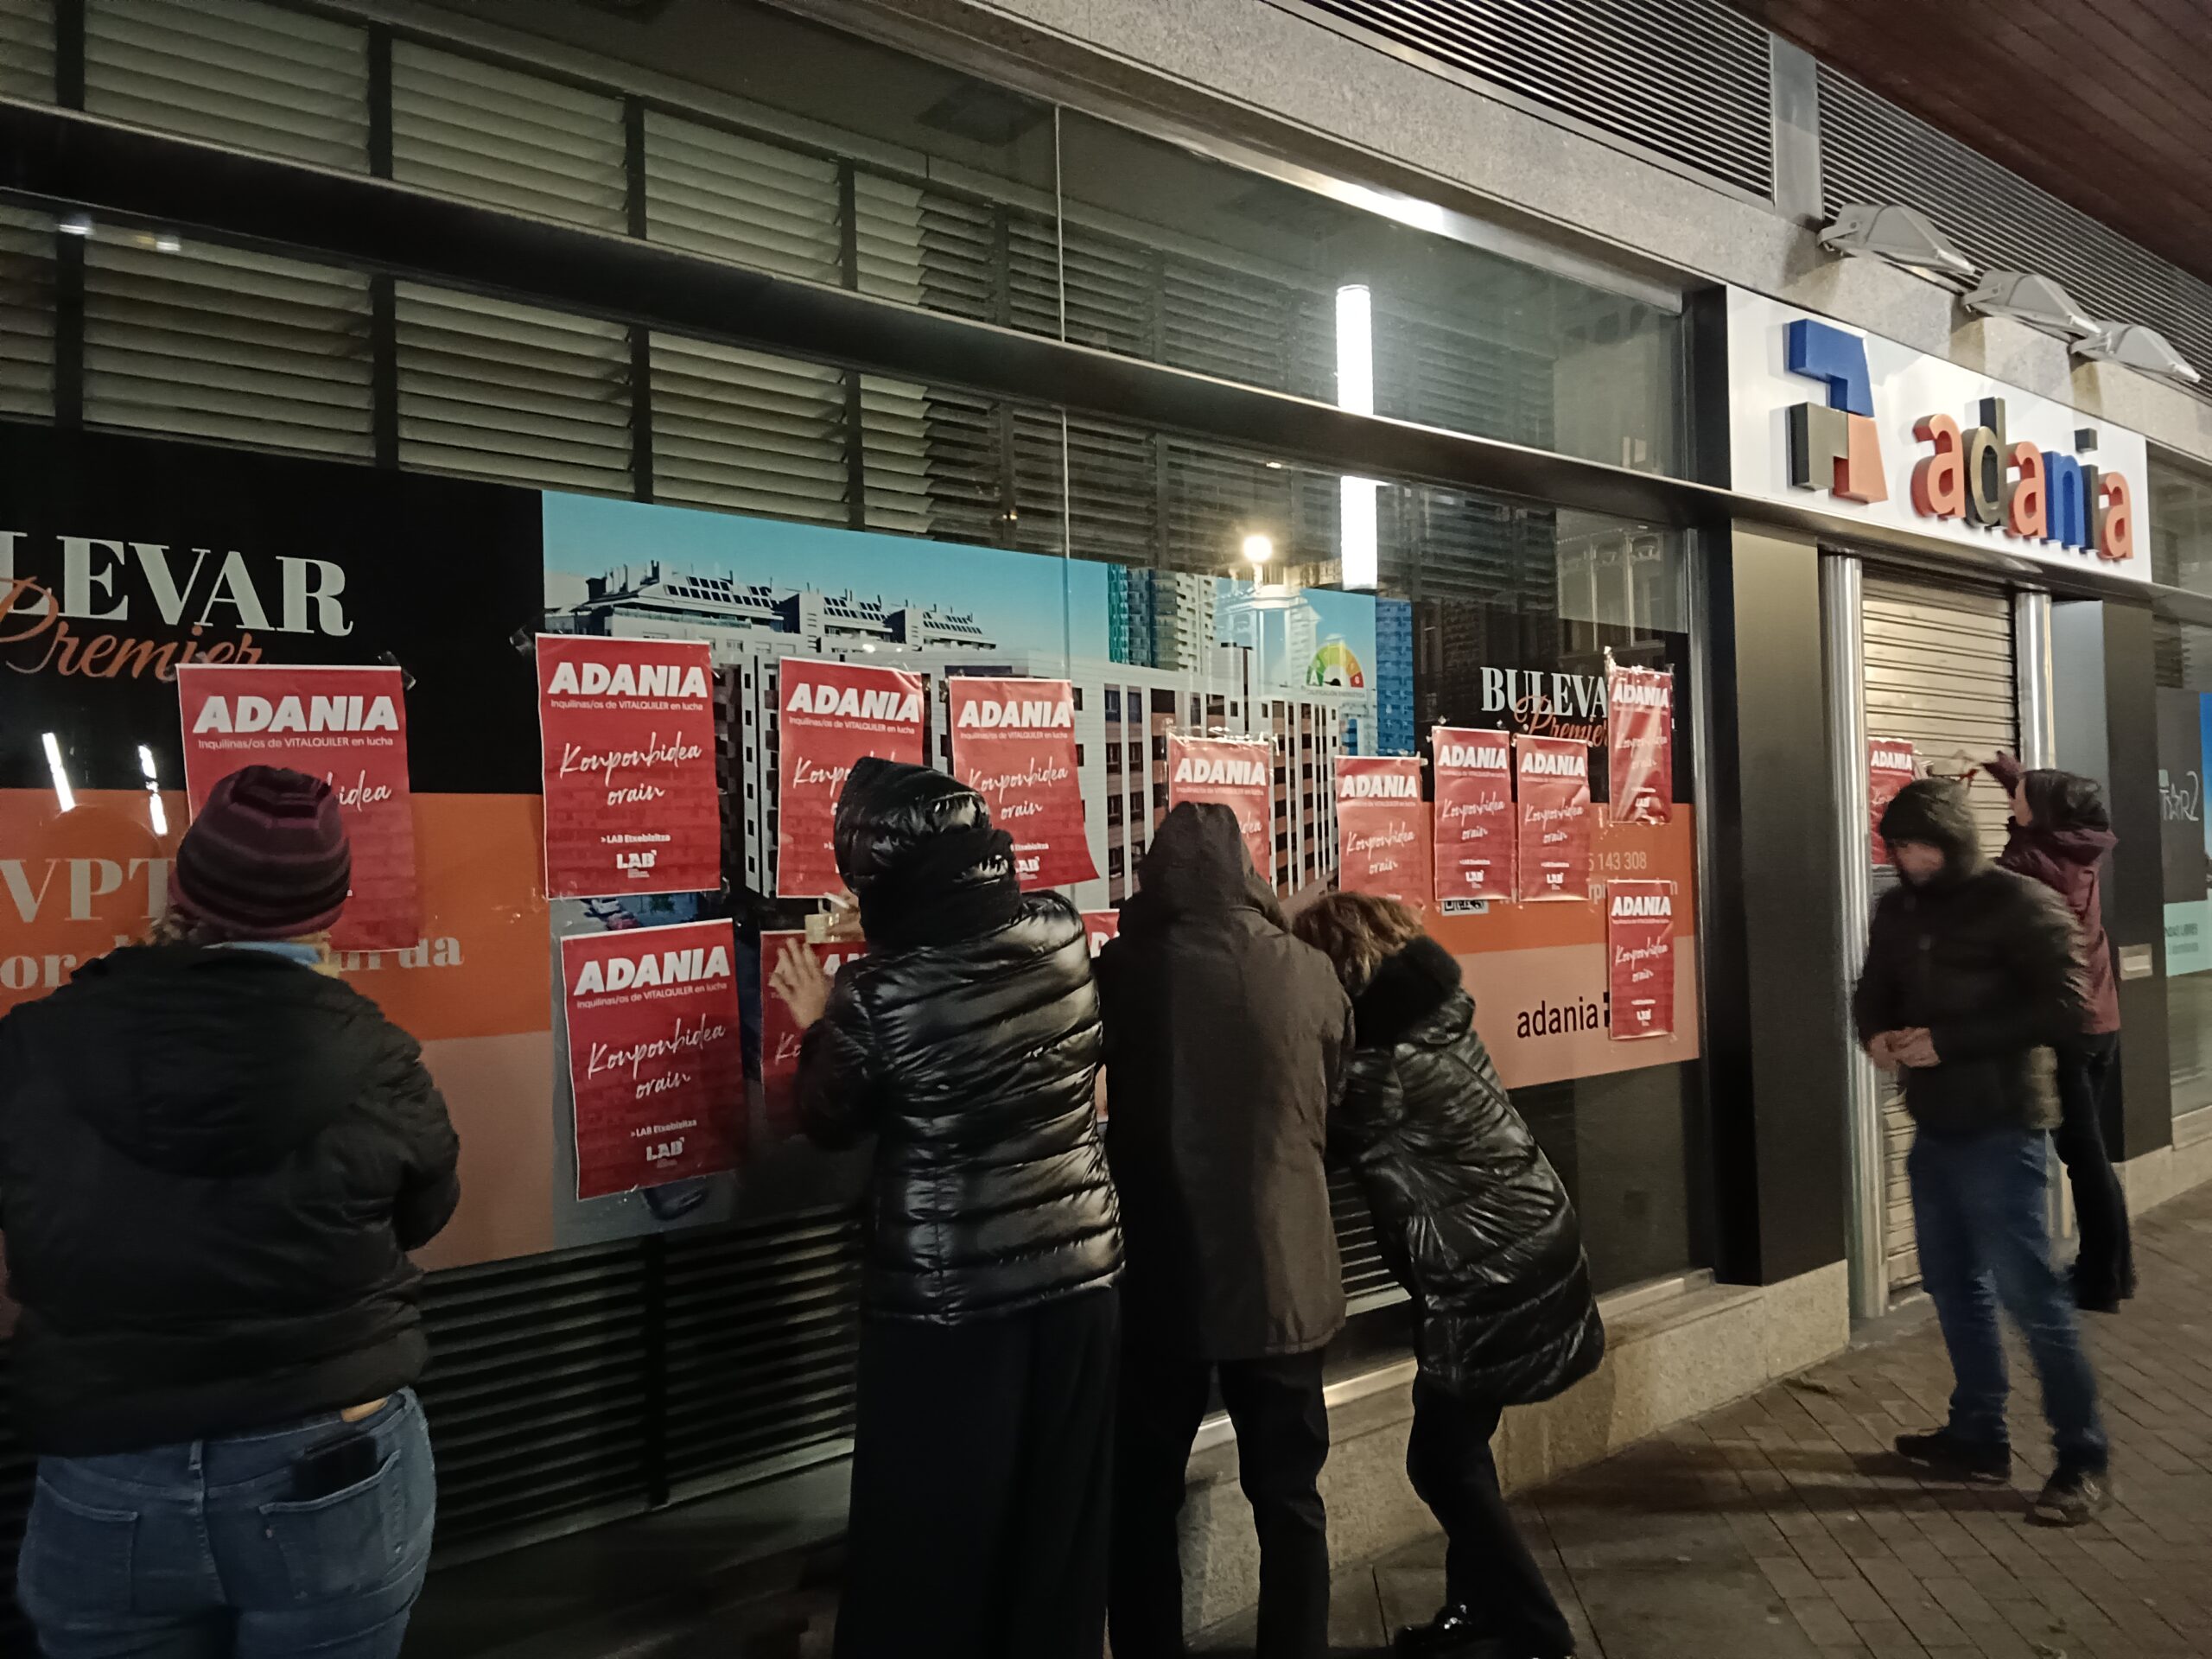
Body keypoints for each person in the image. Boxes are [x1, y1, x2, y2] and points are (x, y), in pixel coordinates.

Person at [0, 765, 461, 1657]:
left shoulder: (33, 1046)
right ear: (329, 909)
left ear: (181, 888)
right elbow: (425, 1213)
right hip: (331, 1455)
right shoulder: (376, 1058)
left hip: (108, 1462)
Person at [769, 758, 1122, 1659]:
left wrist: (816, 1018)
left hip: (950, 1307)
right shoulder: (1062, 929)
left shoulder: (876, 994)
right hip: (1081, 1278)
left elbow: (830, 1116)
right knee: (1057, 1535)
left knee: (933, 1546)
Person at [1293, 892, 1602, 1659]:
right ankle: (1480, 1608)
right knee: (1461, 1448)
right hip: (1520, 1236)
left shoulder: (1383, 1063)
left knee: (1440, 1459)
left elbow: (1307, 1136)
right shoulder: (1434, 1016)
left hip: (1489, 1265)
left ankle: (1535, 1627)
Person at [1093, 802, 1353, 1659]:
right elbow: (1331, 1091)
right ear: (1246, 870)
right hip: (1284, 1272)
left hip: (1162, 1271)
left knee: (1143, 1498)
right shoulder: (1308, 969)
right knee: (1289, 1500)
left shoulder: (1124, 970)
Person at [1853, 778, 2109, 1525]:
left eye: (1922, 846)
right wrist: (1875, 1035)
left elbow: (2067, 1007)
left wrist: (1948, 1041)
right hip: (1935, 1126)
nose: (1909, 860)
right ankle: (1977, 1434)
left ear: (1955, 842)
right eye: (1899, 847)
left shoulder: (2021, 902)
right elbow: (1873, 987)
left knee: (2032, 1297)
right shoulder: (1898, 910)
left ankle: (2082, 1458)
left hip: (2004, 1126)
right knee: (1951, 1285)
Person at [1986, 753, 2134, 1311]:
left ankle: (2101, 1281)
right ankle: (2115, 1271)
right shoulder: (2075, 847)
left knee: (2083, 1156)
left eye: (2020, 798)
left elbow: (1977, 879)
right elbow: (2039, 806)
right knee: (2090, 1152)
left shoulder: (2032, 865)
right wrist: (2009, 772)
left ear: (2042, 813)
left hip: (2069, 1029)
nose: (2013, 802)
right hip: (2100, 1021)